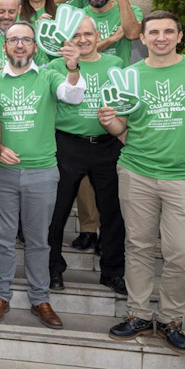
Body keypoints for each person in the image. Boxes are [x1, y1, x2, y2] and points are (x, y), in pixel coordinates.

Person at [100, 11, 185, 354]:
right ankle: (139, 314)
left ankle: (172, 319)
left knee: (183, 254)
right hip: (136, 172)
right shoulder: (128, 77)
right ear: (142, 39)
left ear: (179, 35)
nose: (160, 37)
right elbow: (124, 133)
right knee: (138, 246)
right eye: (153, 33)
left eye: (168, 31)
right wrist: (110, 123)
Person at [0, 22, 84, 329]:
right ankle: (0, 295)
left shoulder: (50, 76)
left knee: (39, 240)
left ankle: (40, 299)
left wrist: (73, 67)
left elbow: (73, 95)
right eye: (13, 40)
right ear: (4, 47)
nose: (19, 45)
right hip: (1, 174)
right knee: (2, 239)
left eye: (26, 40)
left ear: (35, 47)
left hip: (42, 172)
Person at [47, 17, 127, 294]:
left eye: (88, 34)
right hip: (67, 144)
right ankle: (53, 268)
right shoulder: (56, 66)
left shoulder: (115, 66)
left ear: (98, 34)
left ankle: (113, 272)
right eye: (76, 35)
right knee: (56, 212)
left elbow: (127, 102)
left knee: (113, 212)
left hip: (107, 144)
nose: (82, 39)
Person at [84, 0, 142, 64]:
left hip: (120, 76)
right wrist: (112, 39)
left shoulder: (132, 11)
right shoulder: (78, 16)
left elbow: (133, 34)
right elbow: (80, 52)